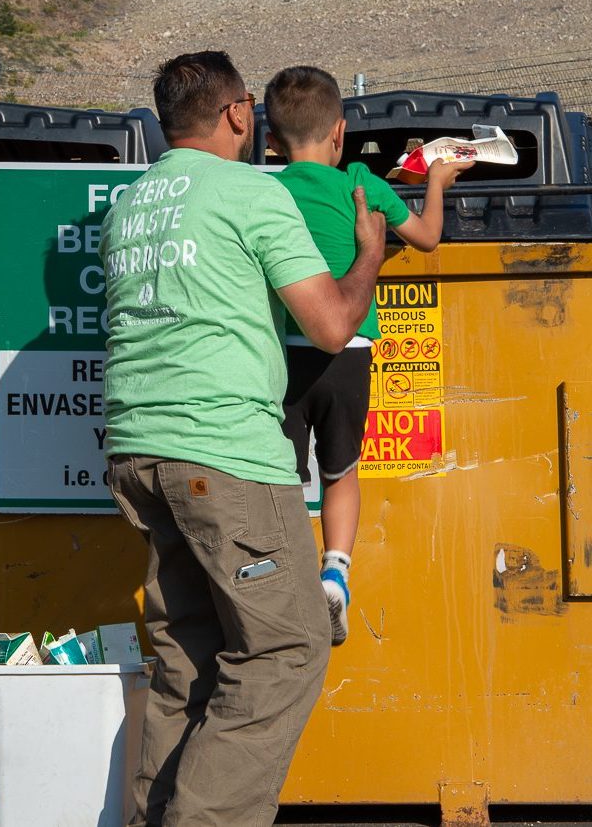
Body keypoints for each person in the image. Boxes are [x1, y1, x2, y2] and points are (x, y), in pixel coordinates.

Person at [98, 50, 387, 827]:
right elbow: (329, 325)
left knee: (188, 659)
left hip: (137, 454)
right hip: (222, 454)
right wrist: (368, 254)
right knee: (287, 649)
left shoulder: (130, 205)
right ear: (236, 113)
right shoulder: (248, 193)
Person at [264, 65, 473, 647]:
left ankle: (279, 581)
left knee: (277, 475)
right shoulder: (361, 180)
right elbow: (428, 237)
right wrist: (437, 180)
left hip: (281, 353)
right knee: (341, 469)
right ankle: (335, 574)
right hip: (350, 350)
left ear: (272, 141)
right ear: (339, 131)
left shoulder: (265, 190)